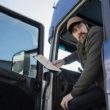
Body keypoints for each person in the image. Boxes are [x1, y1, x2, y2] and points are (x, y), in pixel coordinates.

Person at [52, 16, 105, 110]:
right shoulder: (82, 44)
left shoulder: (96, 33)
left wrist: (72, 94)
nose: (79, 32)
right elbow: (77, 54)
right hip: (101, 84)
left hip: (106, 85)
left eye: (80, 26)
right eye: (75, 31)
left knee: (71, 103)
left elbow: (90, 69)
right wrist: (64, 61)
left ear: (86, 25)